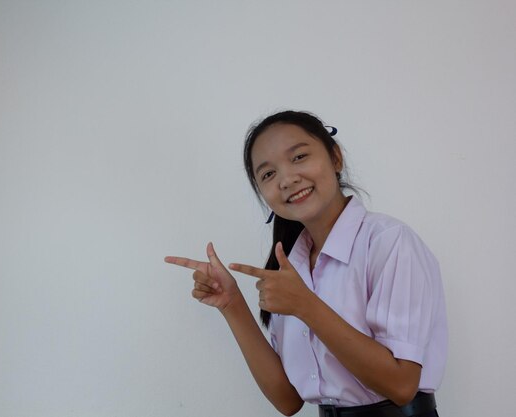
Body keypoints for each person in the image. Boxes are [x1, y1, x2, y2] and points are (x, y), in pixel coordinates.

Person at [164, 111, 447, 417]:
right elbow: (288, 401)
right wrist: (231, 303)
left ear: (335, 158)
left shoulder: (389, 242)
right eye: (268, 174)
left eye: (299, 156)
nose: (287, 179)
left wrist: (306, 305)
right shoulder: (290, 267)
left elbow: (401, 384)